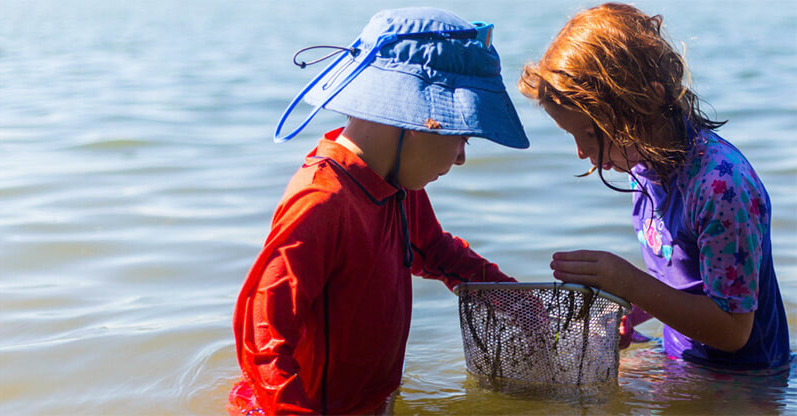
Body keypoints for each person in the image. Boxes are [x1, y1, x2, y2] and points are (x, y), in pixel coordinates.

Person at [229, 7, 530, 415]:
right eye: (460, 136)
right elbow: (263, 336)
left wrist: (522, 305)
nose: (460, 157)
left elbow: (435, 252)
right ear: (410, 119)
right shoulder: (321, 202)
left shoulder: (397, 186)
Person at [519, 2, 789, 370]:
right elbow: (683, 273)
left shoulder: (721, 188)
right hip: (685, 361)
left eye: (588, 134)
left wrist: (627, 282)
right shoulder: (642, 166)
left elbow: (732, 330)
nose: (581, 152)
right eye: (572, 135)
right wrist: (634, 310)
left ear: (643, 105)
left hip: (744, 380)